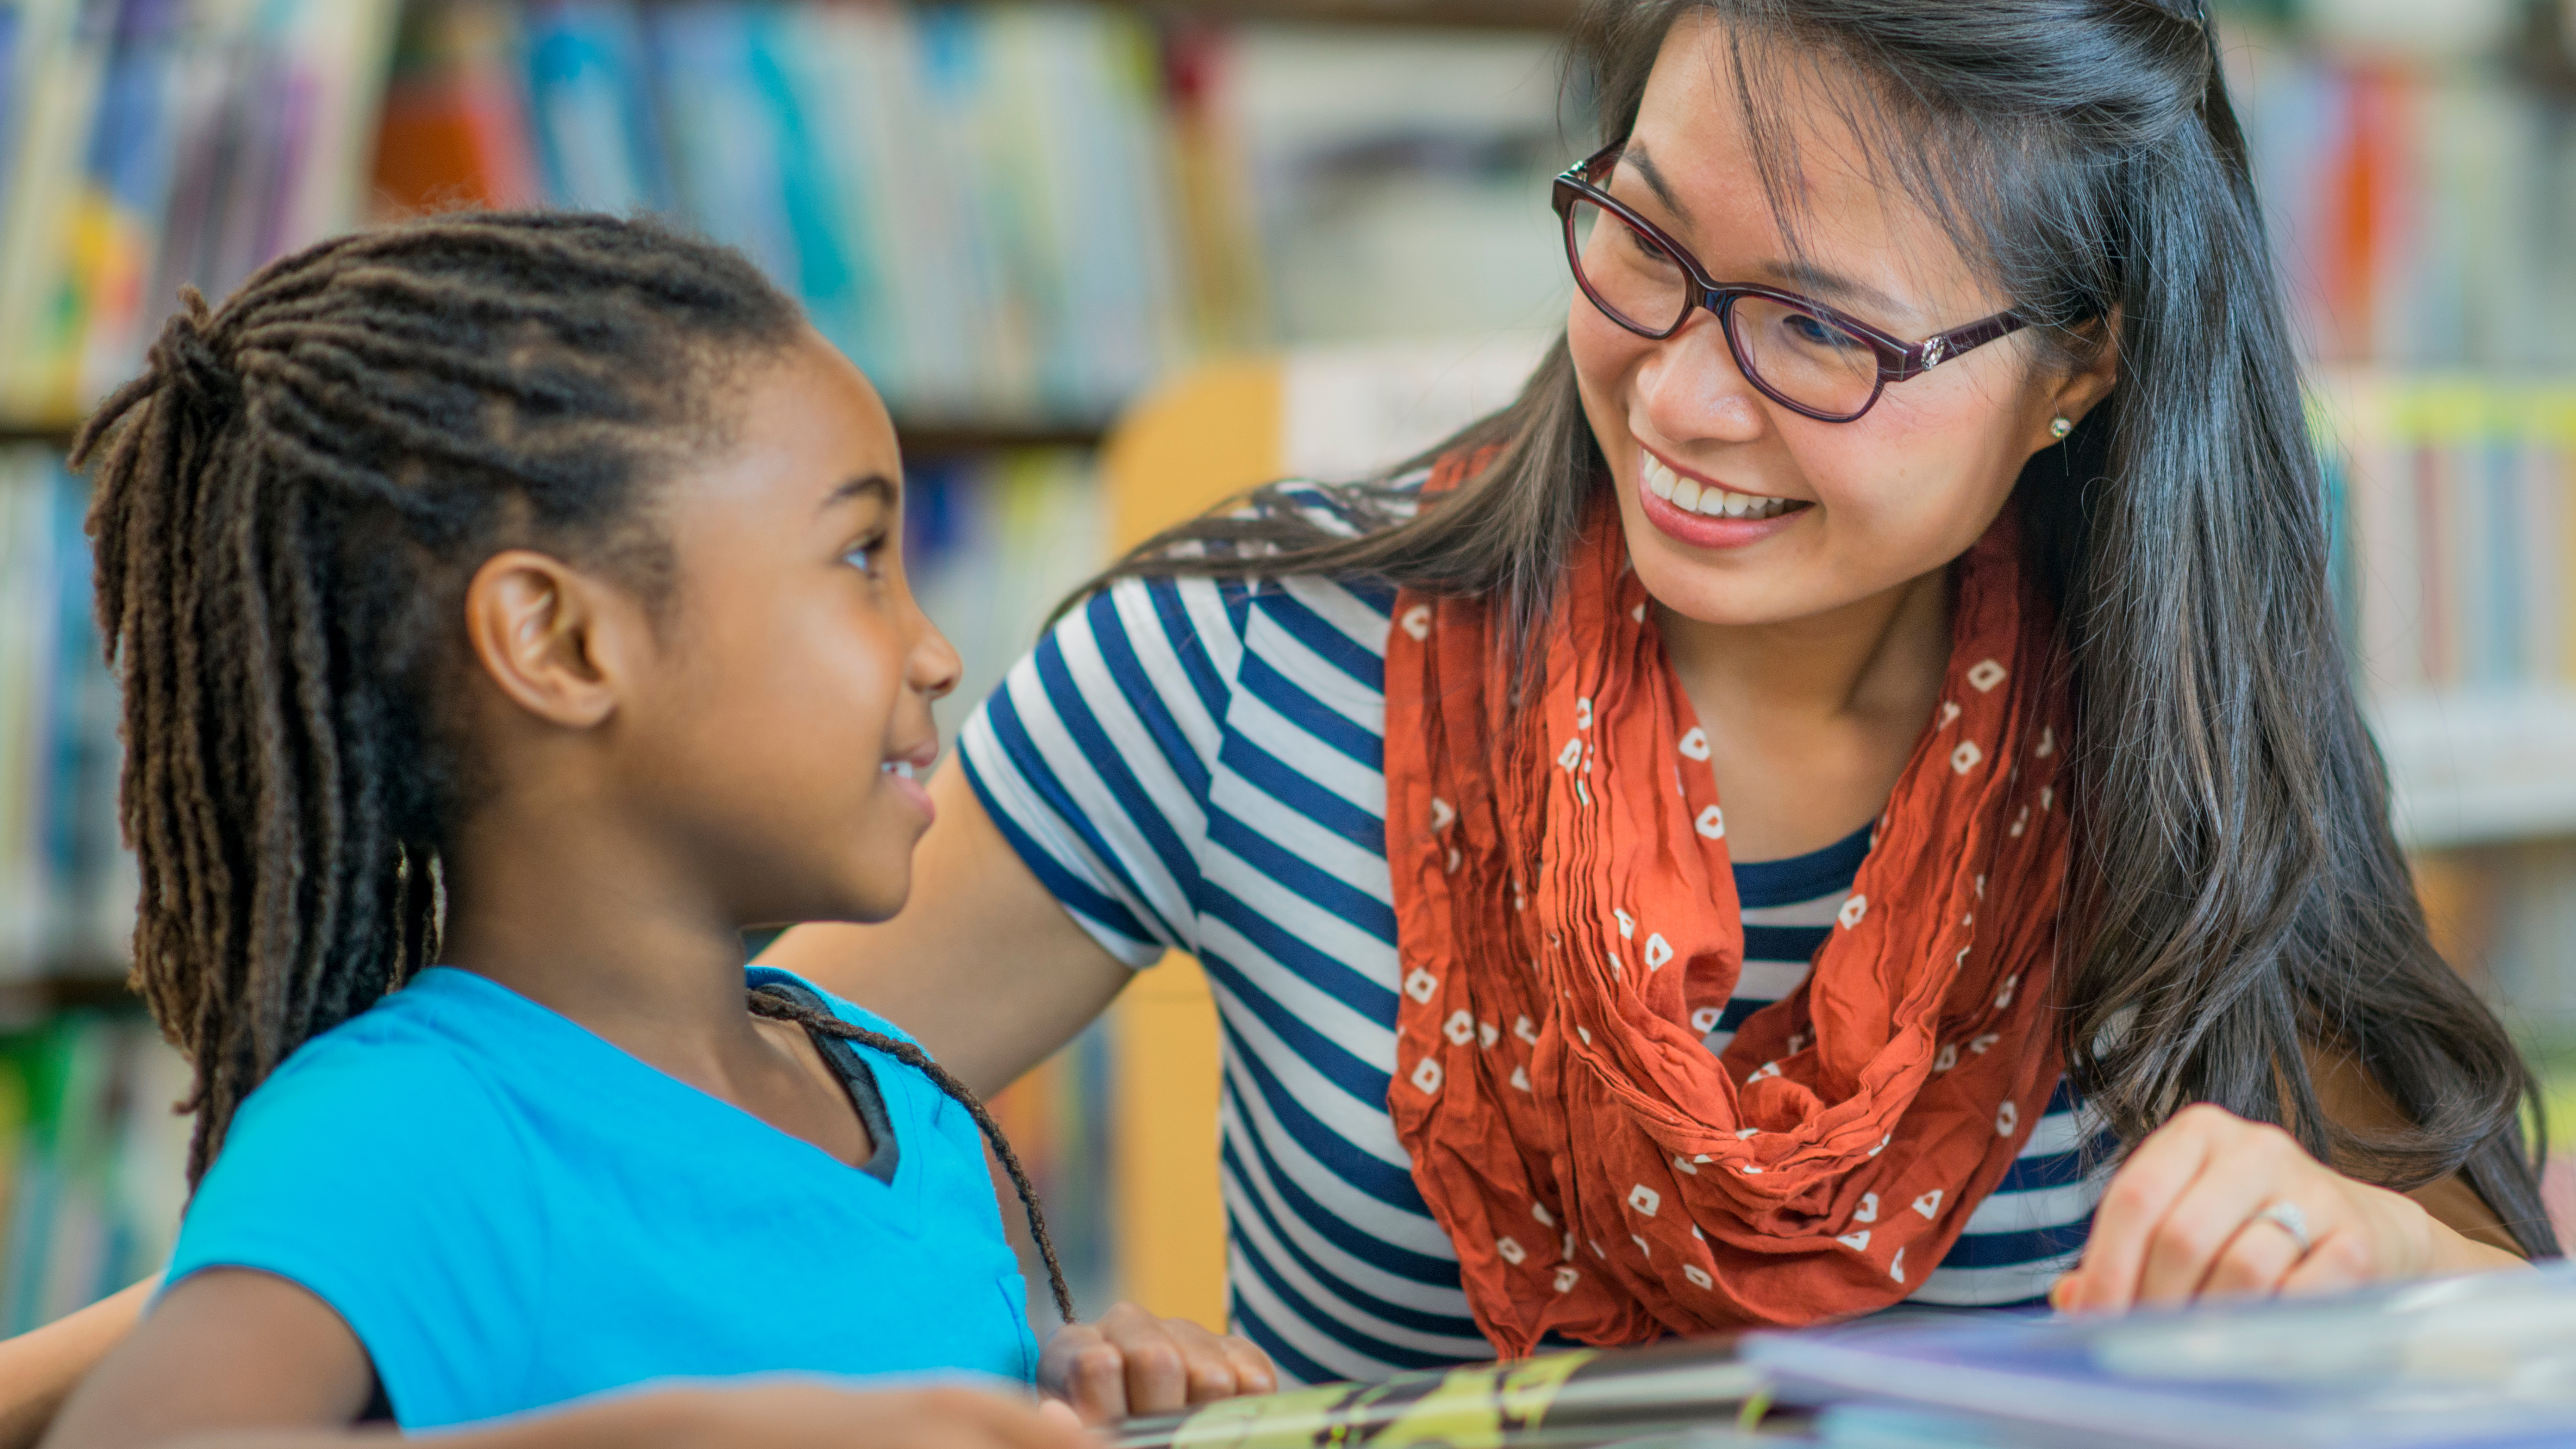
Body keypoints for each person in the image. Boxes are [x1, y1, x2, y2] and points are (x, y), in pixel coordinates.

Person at [0, 0, 2558, 1425]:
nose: (1678, 391)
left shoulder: (2184, 726)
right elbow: (632, 1135)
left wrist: (2362, 1255)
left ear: (2082, 367)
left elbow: (2486, 1300)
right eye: (1646, 247)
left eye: (1822, 334)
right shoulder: (1244, 667)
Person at [25, 212, 1273, 1449]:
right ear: (560, 642)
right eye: (859, 557)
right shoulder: (410, 1125)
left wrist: (1104, 1405)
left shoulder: (904, 1092)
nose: (937, 653)